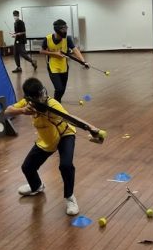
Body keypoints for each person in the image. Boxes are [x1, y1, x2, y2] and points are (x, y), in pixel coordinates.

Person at [5, 77, 98, 216]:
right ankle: (37, 186)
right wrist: (22, 110)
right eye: (38, 96)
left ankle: (70, 198)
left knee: (66, 165)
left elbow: (71, 118)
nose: (42, 97)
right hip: (47, 140)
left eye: (42, 93)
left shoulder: (52, 104)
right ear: (30, 98)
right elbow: (7, 111)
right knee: (27, 167)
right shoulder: (26, 103)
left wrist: (91, 127)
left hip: (65, 135)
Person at [39, 19, 87, 102]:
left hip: (64, 66)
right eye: (63, 29)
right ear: (57, 29)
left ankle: (56, 102)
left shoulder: (67, 39)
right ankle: (56, 104)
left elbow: (75, 50)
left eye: (66, 28)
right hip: (52, 67)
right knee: (59, 88)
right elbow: (41, 51)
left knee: (62, 89)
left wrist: (83, 61)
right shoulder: (47, 39)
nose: (65, 31)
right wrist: (55, 54)